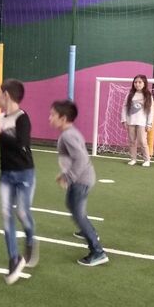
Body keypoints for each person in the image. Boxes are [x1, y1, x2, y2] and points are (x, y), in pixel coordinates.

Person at [0, 79, 38, 286]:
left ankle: (30, 240)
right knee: (6, 214)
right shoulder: (0, 119)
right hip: (6, 175)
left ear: (6, 95)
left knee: (22, 212)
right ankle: (14, 258)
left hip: (25, 173)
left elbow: (22, 144)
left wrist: (0, 132)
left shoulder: (22, 118)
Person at [49, 99, 108, 267]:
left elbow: (81, 158)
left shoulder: (68, 135)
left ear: (63, 118)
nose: (49, 118)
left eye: (52, 115)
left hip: (81, 180)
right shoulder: (70, 132)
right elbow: (73, 159)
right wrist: (64, 174)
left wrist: (68, 177)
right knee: (72, 205)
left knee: (77, 213)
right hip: (81, 178)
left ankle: (97, 252)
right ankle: (88, 230)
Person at [121, 74, 154, 167]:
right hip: (131, 122)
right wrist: (124, 120)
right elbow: (124, 107)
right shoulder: (130, 95)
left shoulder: (148, 95)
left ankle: (147, 160)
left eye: (140, 82)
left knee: (142, 141)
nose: (137, 84)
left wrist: (149, 124)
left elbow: (150, 111)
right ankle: (133, 159)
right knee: (132, 141)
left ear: (144, 83)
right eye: (135, 82)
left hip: (142, 123)